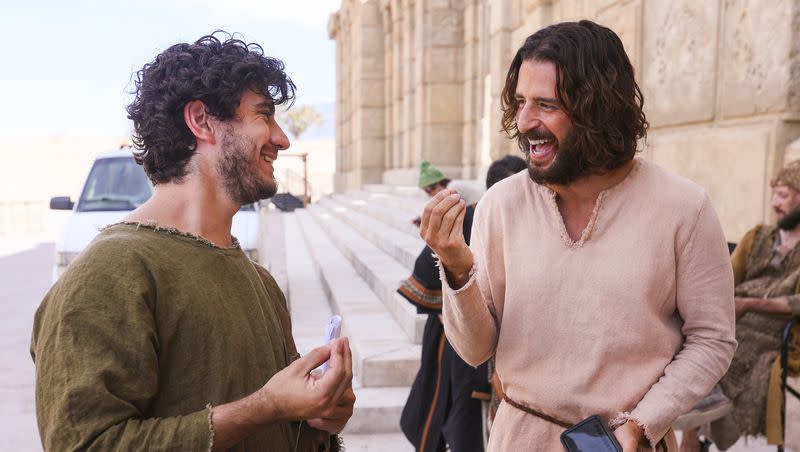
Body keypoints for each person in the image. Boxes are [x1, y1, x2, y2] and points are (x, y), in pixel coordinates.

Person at [419, 20, 736, 451]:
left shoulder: (684, 207)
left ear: (599, 109)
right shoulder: (502, 204)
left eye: (546, 104)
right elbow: (476, 350)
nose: (525, 121)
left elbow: (712, 339)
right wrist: (456, 267)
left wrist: (642, 423)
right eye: (520, 102)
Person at [30, 33, 354, 452]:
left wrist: (317, 418)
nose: (282, 138)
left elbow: (279, 428)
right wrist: (266, 406)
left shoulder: (259, 281)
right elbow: (87, 444)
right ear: (201, 121)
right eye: (264, 116)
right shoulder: (108, 275)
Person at [398, 155, 524, 452]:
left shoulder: (532, 227)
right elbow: (427, 279)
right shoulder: (467, 219)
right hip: (459, 345)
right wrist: (455, 308)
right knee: (463, 419)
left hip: (509, 345)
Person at [680, 160, 800, 451]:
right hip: (735, 317)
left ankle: (697, 417)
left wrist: (750, 303)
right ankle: (691, 435)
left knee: (726, 348)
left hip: (782, 331)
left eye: (783, 196)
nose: (774, 203)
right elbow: (725, 280)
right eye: (774, 195)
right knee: (693, 338)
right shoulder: (758, 237)